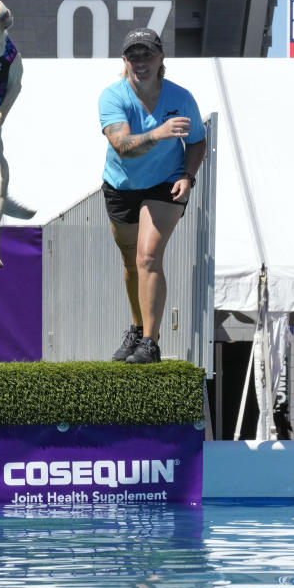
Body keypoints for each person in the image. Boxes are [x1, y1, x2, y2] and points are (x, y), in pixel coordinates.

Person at [98, 28, 207, 364]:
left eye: (147, 54)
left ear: (161, 59)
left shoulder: (181, 97)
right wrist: (160, 132)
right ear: (124, 61)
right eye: (133, 55)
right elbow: (123, 147)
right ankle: (136, 326)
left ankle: (150, 342)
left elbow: (198, 141)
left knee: (148, 257)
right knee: (131, 261)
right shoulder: (113, 97)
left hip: (166, 183)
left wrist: (188, 176)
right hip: (121, 185)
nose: (140, 62)